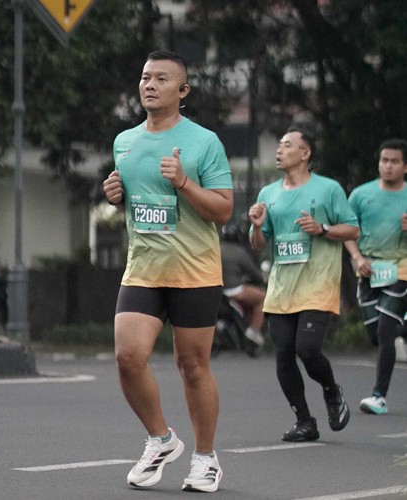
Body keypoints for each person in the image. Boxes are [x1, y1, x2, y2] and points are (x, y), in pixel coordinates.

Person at [102, 50, 233, 493]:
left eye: (161, 78)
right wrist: (116, 195)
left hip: (195, 271)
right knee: (127, 358)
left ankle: (205, 458)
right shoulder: (124, 142)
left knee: (192, 366)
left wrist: (183, 182)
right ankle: (161, 440)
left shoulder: (204, 142)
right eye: (145, 77)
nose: (150, 85)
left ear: (183, 90)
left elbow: (224, 210)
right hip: (143, 268)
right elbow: (137, 201)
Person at [248, 126, 359, 442]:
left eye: (286, 145)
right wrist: (257, 226)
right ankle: (304, 421)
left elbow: (352, 230)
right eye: (279, 145)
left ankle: (331, 390)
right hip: (282, 288)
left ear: (305, 153)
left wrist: (322, 229)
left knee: (307, 350)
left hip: (318, 285)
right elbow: (258, 243)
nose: (279, 150)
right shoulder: (268, 194)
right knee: (284, 354)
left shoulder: (328, 189)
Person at [344, 138, 407, 415]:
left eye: (394, 161)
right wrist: (357, 258)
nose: (388, 166)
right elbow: (348, 231)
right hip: (368, 271)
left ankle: (379, 396)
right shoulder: (360, 195)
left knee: (385, 331)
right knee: (376, 334)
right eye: (384, 160)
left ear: (405, 166)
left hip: (401, 270)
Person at [220, 223, 266, 351]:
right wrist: (261, 279)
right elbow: (253, 273)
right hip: (234, 291)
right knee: (262, 297)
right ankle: (254, 331)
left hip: (217, 291)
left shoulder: (215, 249)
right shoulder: (240, 252)